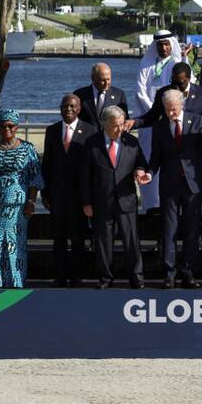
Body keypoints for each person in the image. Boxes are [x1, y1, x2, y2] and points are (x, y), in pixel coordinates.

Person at [80, 105, 152, 289]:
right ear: (104, 124)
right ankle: (106, 278)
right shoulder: (91, 143)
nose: (120, 129)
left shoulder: (131, 142)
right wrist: (87, 202)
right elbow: (84, 175)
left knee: (131, 242)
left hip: (126, 201)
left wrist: (140, 170)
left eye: (122, 125)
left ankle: (137, 278)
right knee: (103, 243)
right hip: (101, 202)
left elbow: (141, 162)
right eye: (115, 126)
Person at [151, 92, 202, 289]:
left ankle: (188, 272)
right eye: (167, 109)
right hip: (169, 184)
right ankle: (169, 273)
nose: (171, 112)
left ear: (182, 105)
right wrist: (148, 172)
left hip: (192, 184)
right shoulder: (160, 126)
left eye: (174, 108)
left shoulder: (196, 121)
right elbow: (156, 156)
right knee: (169, 229)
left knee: (192, 230)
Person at [0, 109, 43, 288]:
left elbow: (35, 179)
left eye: (10, 125)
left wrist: (31, 202)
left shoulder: (27, 148)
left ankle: (16, 281)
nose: (6, 128)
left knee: (17, 243)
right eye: (3, 125)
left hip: (18, 207)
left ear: (17, 127)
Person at [41, 94, 96, 286]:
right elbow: (47, 163)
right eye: (65, 107)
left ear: (79, 109)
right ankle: (60, 276)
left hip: (79, 197)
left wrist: (89, 197)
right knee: (59, 238)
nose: (68, 110)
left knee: (78, 238)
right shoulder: (52, 131)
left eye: (72, 107)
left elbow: (92, 168)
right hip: (57, 196)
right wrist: (45, 192)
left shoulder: (90, 131)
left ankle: (76, 276)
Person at [132, 30, 189, 211]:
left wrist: (165, 112)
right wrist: (155, 112)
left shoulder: (176, 64)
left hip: (170, 122)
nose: (163, 48)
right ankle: (150, 206)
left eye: (166, 44)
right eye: (160, 45)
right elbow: (140, 92)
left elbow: (185, 90)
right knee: (150, 161)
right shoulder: (146, 64)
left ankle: (170, 207)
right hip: (150, 123)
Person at [137, 62, 202, 125]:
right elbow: (152, 117)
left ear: (189, 78)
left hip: (194, 138)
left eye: (179, 83)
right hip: (170, 139)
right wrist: (133, 122)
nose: (176, 86)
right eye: (173, 81)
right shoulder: (163, 93)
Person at [74, 62, 129, 127]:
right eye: (103, 80)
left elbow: (125, 120)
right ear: (93, 78)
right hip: (87, 136)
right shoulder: (79, 95)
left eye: (108, 79)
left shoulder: (119, 95)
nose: (106, 83)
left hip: (109, 136)